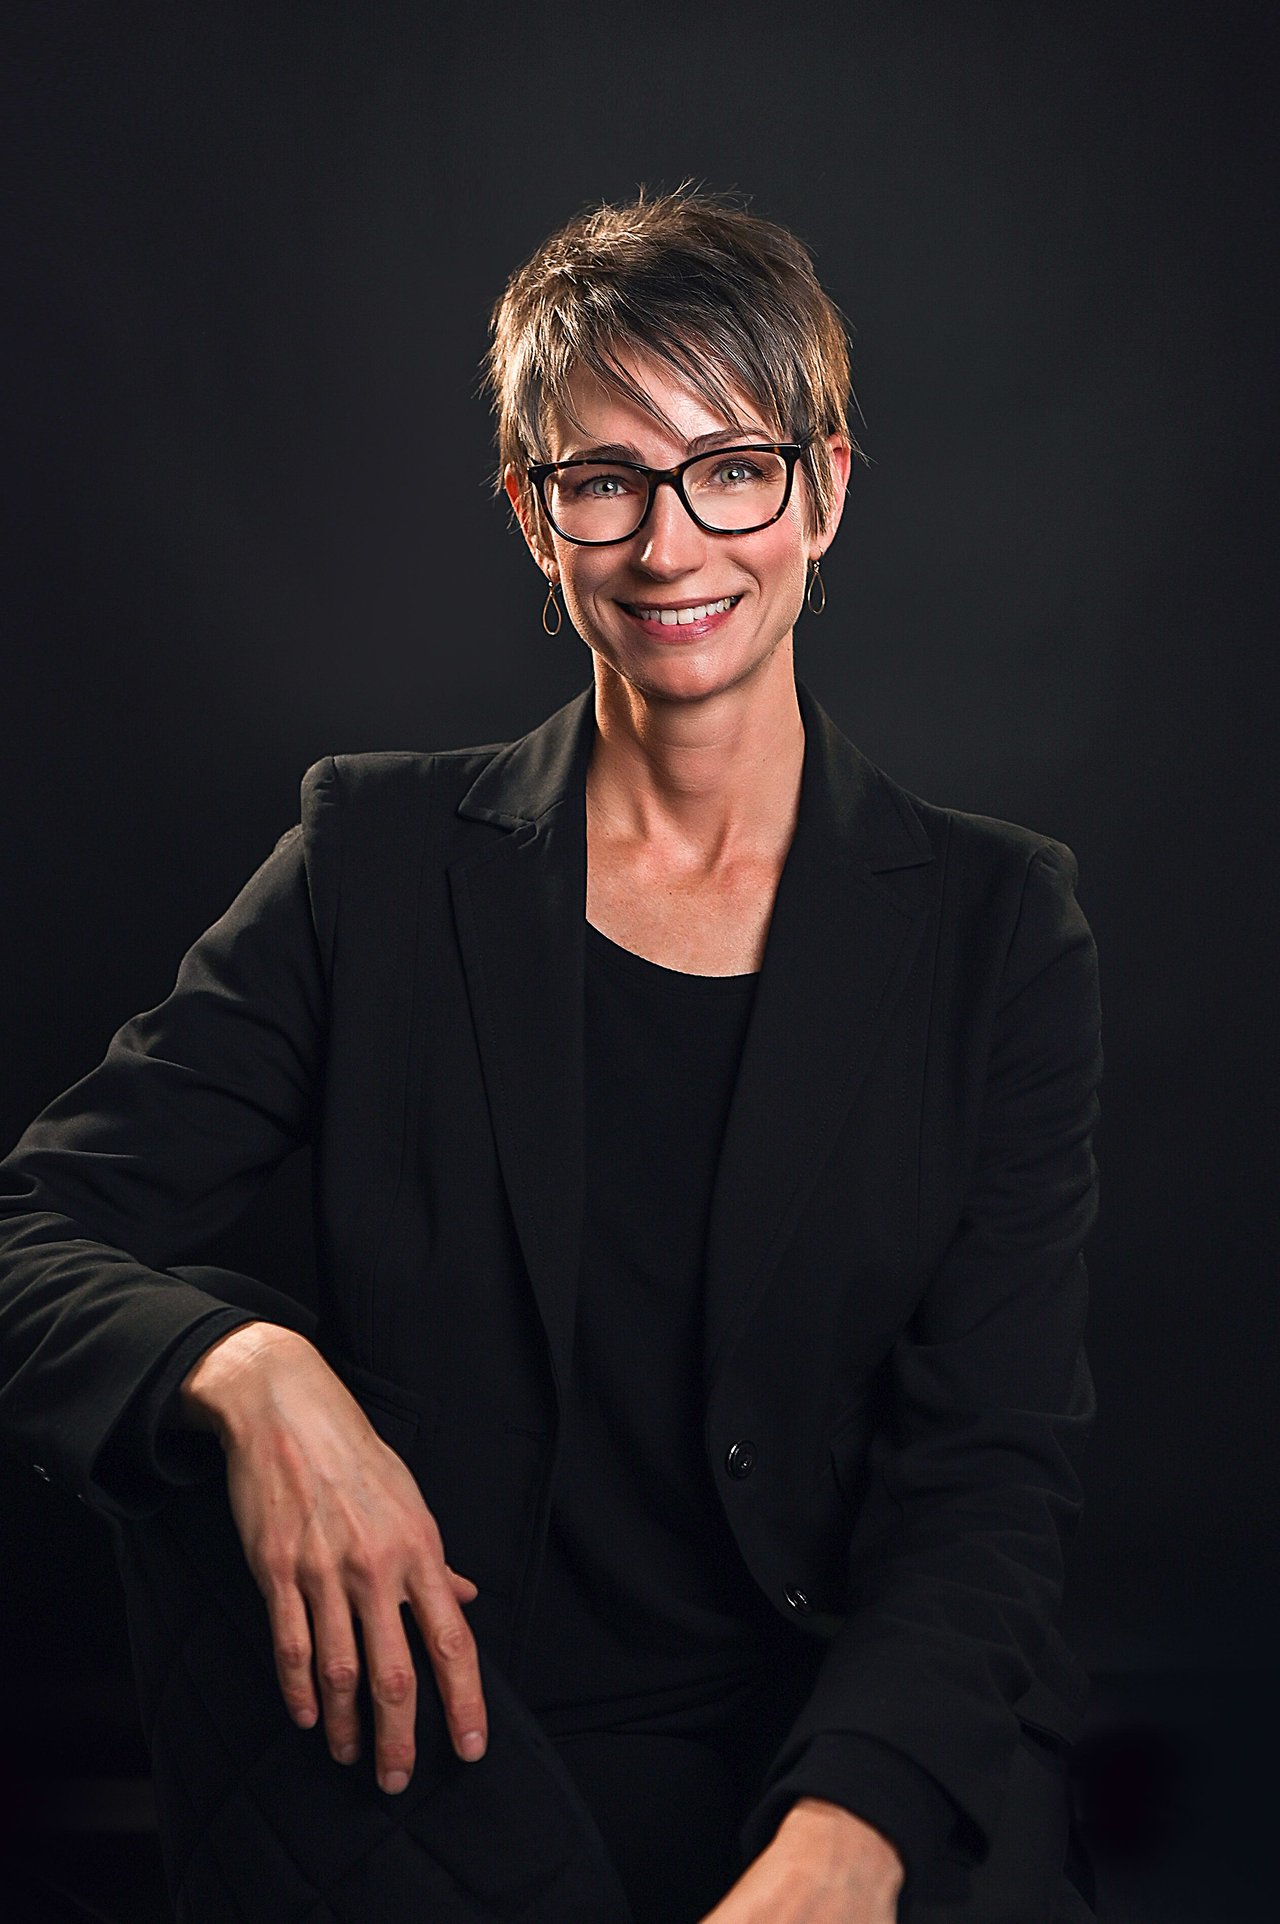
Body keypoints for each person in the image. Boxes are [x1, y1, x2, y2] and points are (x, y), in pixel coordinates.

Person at [0, 190, 1102, 1923]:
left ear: (821, 492)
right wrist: (246, 1368)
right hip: (462, 1748)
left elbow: (993, 1472)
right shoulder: (372, 863)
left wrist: (850, 1836)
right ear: (534, 516)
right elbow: (28, 1229)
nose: (670, 545)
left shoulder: (998, 927)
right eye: (604, 481)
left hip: (863, 1721)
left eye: (730, 468)